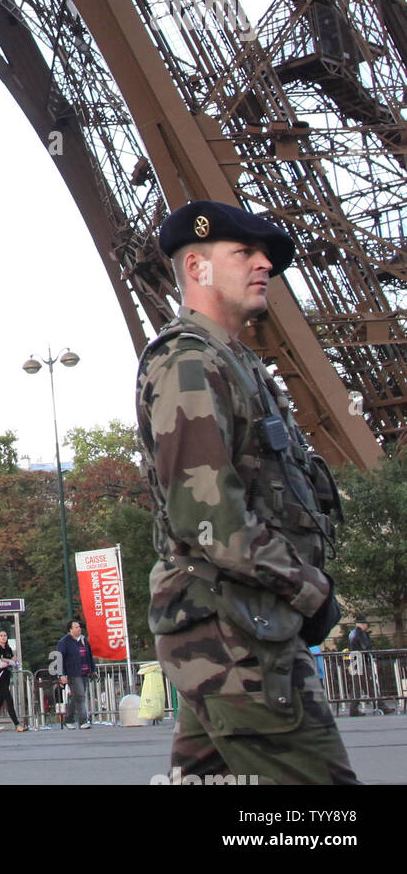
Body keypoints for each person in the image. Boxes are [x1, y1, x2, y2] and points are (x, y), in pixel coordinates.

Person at [136, 200, 355, 785]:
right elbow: (208, 519)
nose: (264, 264)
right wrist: (309, 588)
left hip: (239, 623)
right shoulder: (188, 363)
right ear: (197, 269)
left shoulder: (234, 363)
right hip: (236, 632)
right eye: (244, 253)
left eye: (265, 256)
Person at [55, 620, 94, 729]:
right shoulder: (64, 642)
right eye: (76, 627)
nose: (79, 629)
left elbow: (89, 655)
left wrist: (92, 669)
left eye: (79, 627)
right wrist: (61, 674)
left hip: (84, 672)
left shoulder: (83, 640)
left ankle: (68, 719)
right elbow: (59, 658)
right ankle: (83, 721)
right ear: (70, 630)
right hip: (73, 673)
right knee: (80, 696)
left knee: (77, 696)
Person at [0, 630, 25, 732]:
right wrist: (9, 661)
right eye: (1, 636)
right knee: (9, 699)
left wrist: (8, 661)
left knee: (0, 701)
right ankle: (17, 724)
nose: (3, 637)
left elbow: (15, 662)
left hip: (7, 676)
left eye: (5, 635)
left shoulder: (8, 649)